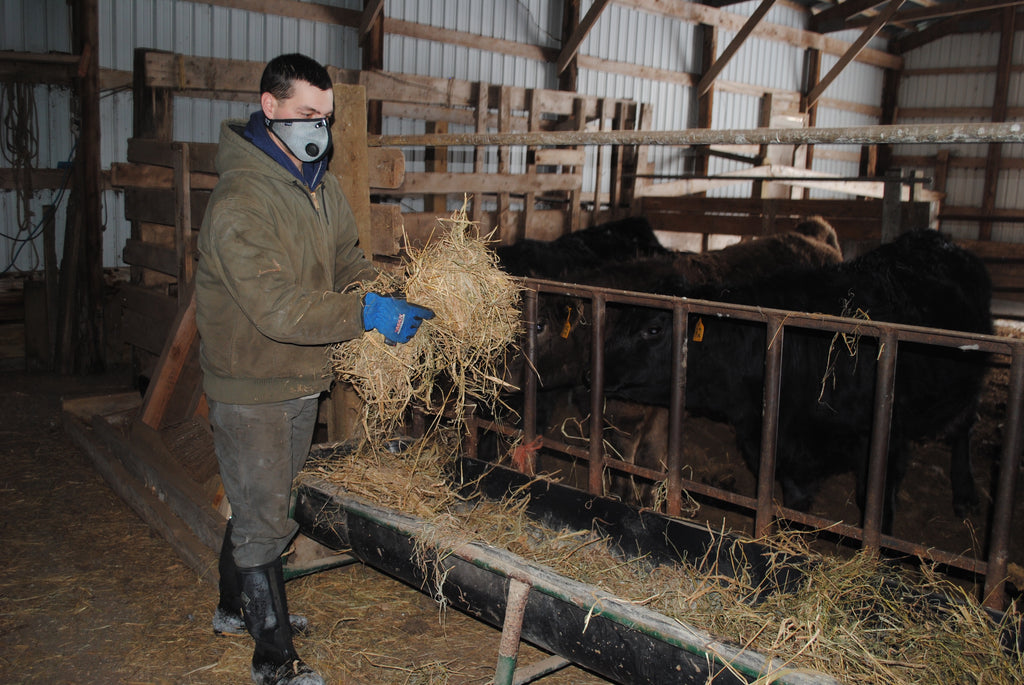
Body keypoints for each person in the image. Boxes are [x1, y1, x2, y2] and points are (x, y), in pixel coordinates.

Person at [195, 53, 433, 685]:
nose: (319, 131)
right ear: (269, 108)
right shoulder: (240, 202)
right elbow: (275, 308)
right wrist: (363, 315)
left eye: (325, 119)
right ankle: (273, 661)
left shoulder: (318, 186)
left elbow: (347, 262)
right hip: (253, 382)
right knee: (265, 515)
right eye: (307, 115)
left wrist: (387, 294)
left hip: (299, 376)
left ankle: (231, 608)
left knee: (260, 498)